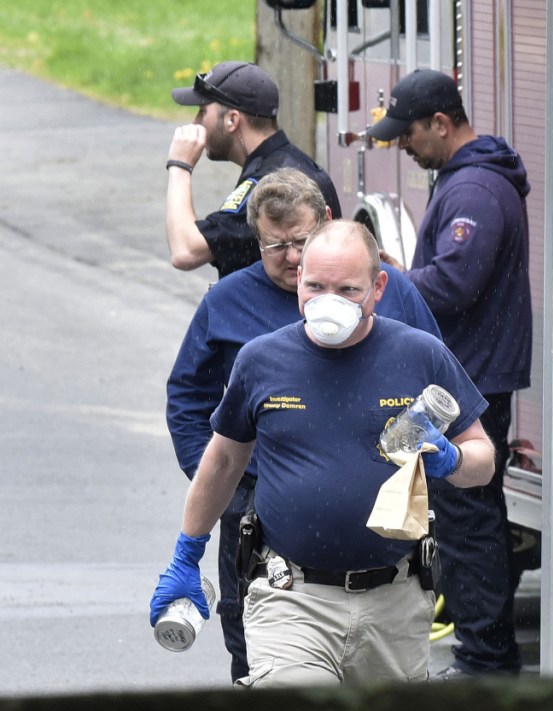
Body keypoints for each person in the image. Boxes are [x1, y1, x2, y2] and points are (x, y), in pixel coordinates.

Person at [149, 219, 495, 711]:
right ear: (295, 283)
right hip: (289, 593)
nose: (327, 300)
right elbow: (222, 459)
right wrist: (183, 554)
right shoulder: (264, 361)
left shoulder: (419, 355)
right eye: (313, 286)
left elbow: (482, 458)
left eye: (346, 287)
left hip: (395, 597)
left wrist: (451, 458)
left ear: (377, 286)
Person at [167, 169, 442, 684]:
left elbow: (436, 386)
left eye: (300, 242)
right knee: (248, 644)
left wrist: (429, 464)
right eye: (276, 246)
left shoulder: (397, 295)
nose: (292, 258)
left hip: (388, 557)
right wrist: (232, 489)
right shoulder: (229, 305)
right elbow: (191, 404)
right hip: (267, 532)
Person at [366, 68, 533, 681]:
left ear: (440, 123)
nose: (404, 147)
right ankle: (482, 656)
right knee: (465, 515)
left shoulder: (474, 193)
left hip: (471, 378)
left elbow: (455, 286)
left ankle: (486, 663)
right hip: (469, 372)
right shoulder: (467, 181)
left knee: (467, 522)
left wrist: (387, 277)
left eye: (409, 134)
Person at [165, 61, 342, 278]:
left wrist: (179, 165)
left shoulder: (271, 183)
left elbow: (185, 251)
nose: (196, 122)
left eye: (202, 112)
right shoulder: (288, 162)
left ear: (232, 120)